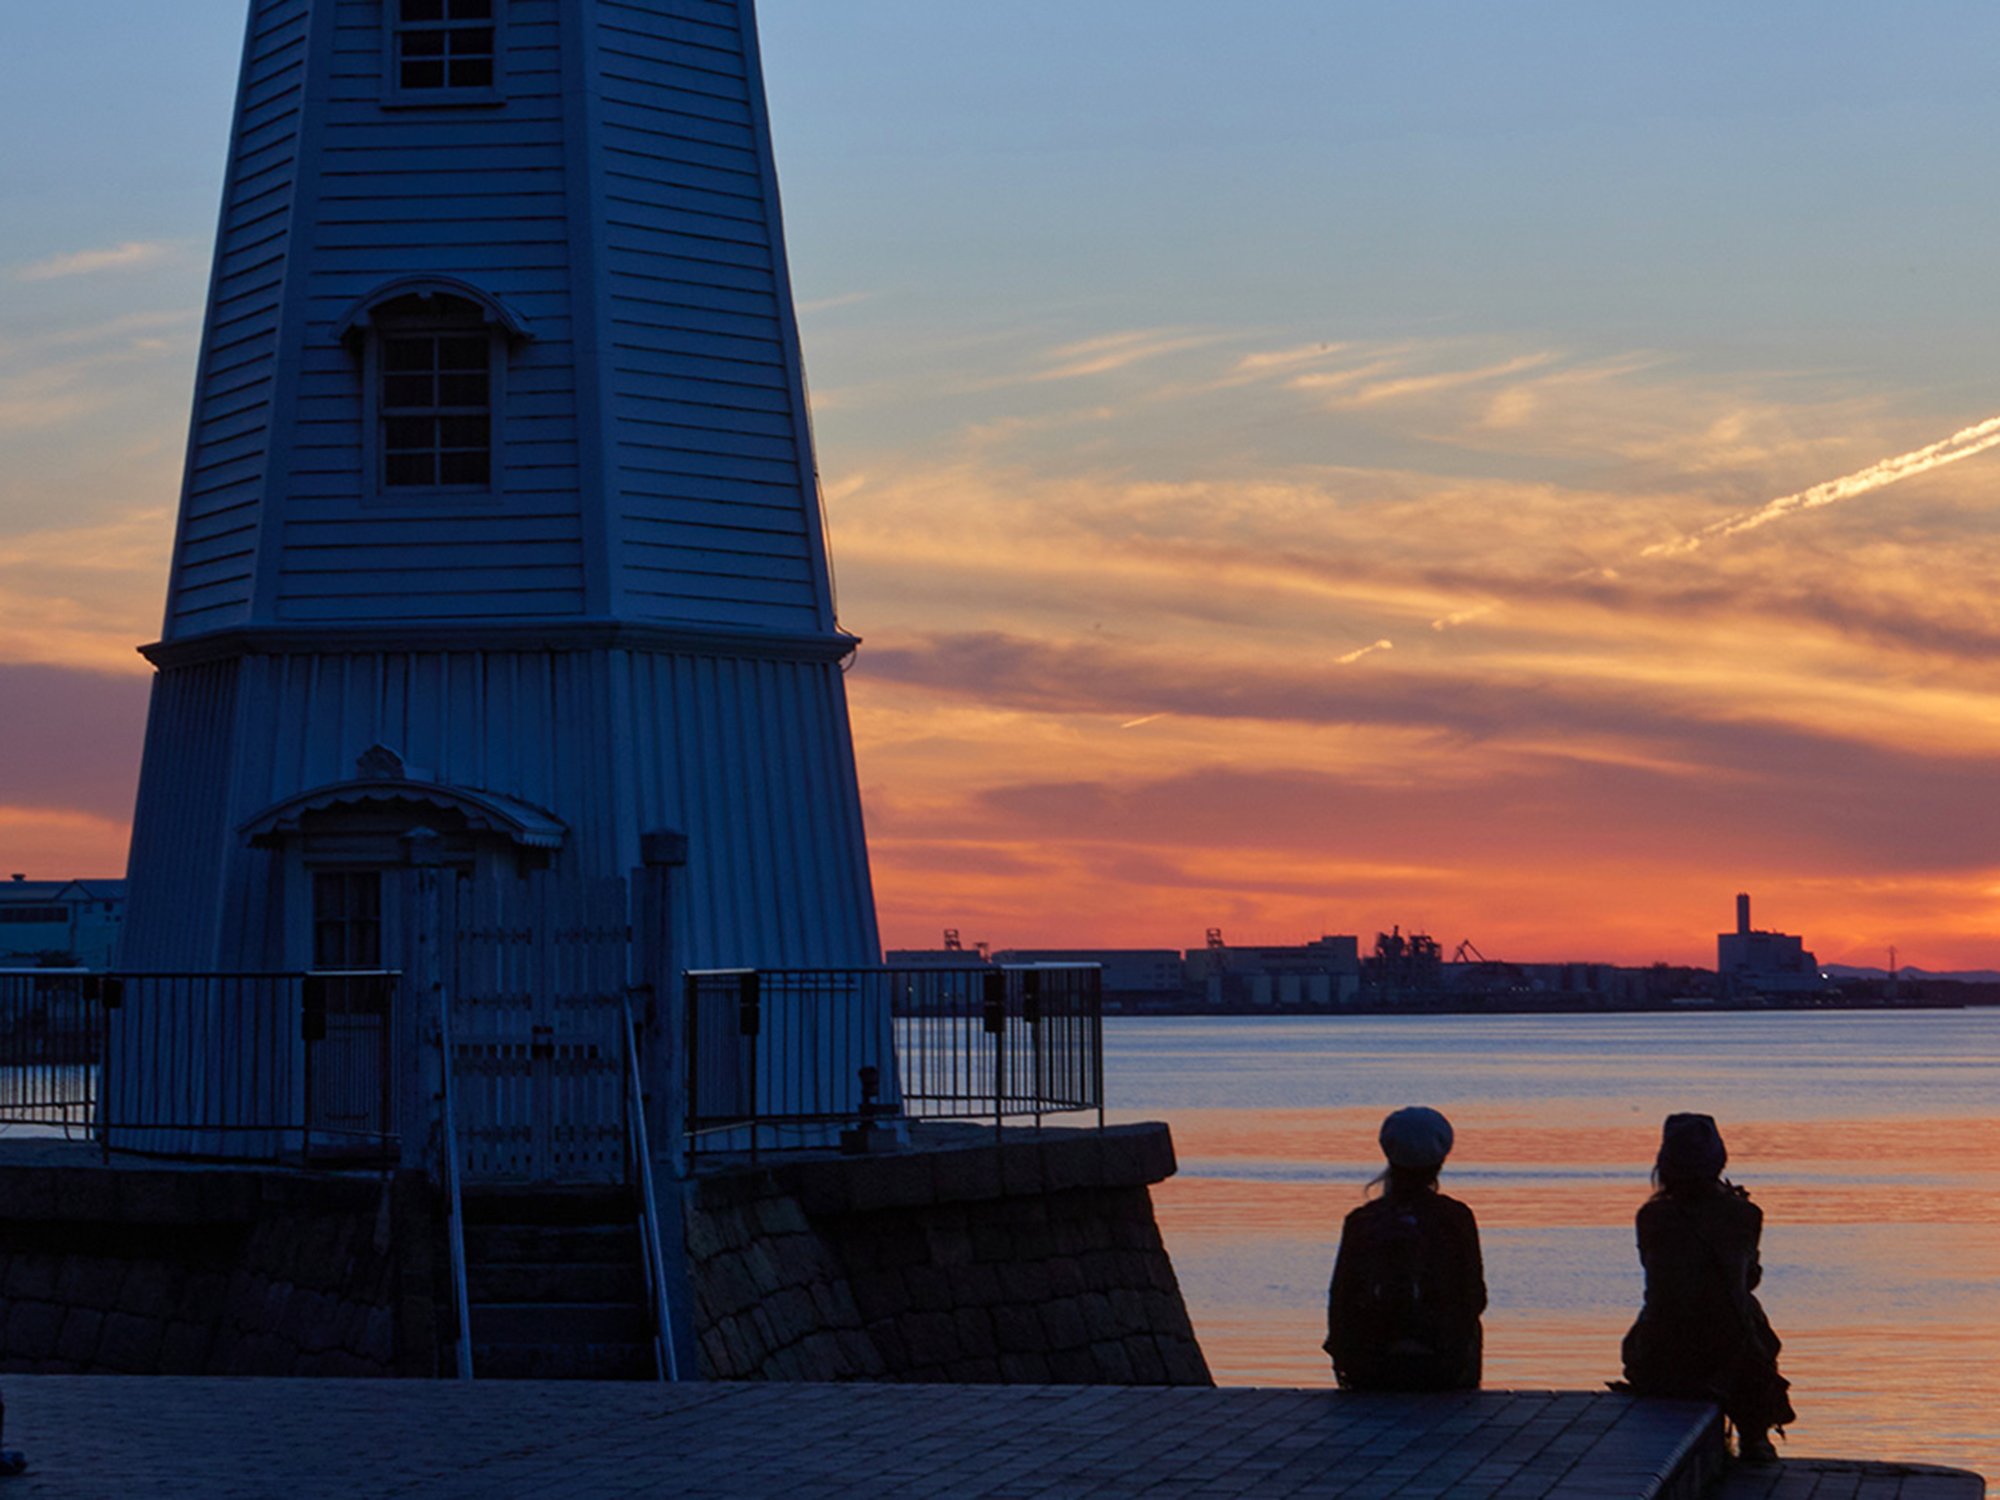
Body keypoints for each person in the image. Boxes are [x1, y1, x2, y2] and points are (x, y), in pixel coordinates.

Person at [1620, 1113, 1794, 1463]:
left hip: (1661, 1345)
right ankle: (1755, 1436)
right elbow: (1746, 1281)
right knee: (1750, 1322)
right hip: (1726, 1348)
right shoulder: (1745, 1215)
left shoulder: (1651, 1217)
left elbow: (1660, 1279)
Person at [1324, 1105, 1486, 1390]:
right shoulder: (1455, 1218)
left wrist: (1345, 1358)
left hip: (1371, 1367)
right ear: (1440, 1161)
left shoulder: (1362, 1220)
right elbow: (1474, 1296)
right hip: (1443, 1366)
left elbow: (1341, 1297)